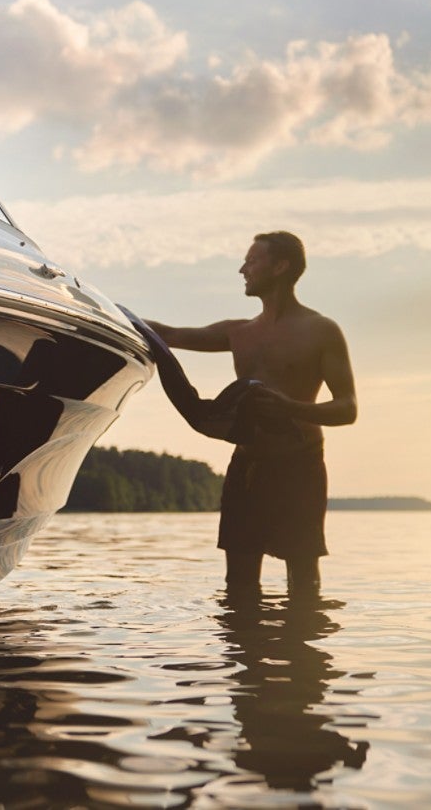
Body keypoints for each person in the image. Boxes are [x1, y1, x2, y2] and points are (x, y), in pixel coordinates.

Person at [145, 231, 357, 596]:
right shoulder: (238, 332)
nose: (243, 269)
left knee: (304, 586)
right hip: (247, 467)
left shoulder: (321, 330)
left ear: (281, 266)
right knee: (239, 586)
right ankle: (245, 648)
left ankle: (300, 647)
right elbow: (170, 335)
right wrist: (102, 309)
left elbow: (348, 408)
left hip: (299, 466)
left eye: (252, 260)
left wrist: (292, 408)